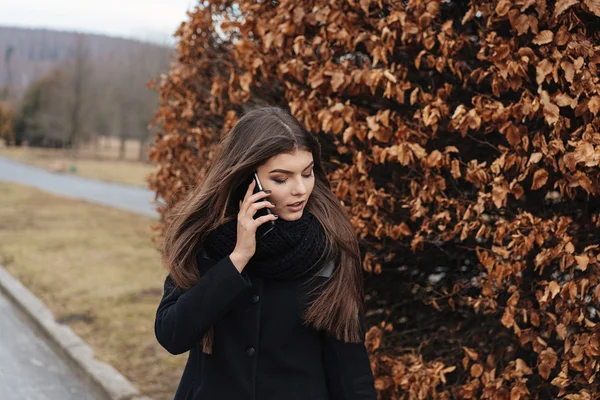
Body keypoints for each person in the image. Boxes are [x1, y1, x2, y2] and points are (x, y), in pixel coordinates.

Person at [154, 107, 377, 400]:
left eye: (307, 173)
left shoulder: (328, 247)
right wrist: (237, 259)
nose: (301, 189)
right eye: (281, 179)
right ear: (249, 180)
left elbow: (350, 371)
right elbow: (173, 334)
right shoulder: (207, 240)